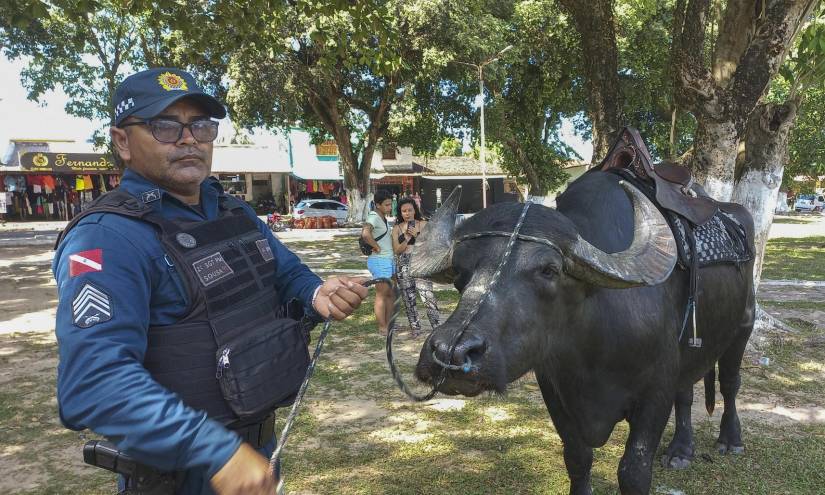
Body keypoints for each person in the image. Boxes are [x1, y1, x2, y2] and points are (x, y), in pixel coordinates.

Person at [52, 67, 368, 495]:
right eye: (165, 126)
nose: (189, 139)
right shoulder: (107, 237)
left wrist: (317, 293)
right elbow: (94, 380)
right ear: (123, 141)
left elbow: (287, 272)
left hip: (256, 452)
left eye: (201, 125)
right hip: (184, 474)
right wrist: (213, 451)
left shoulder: (233, 213)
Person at [392, 198, 440, 337]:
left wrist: (417, 236)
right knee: (408, 297)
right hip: (403, 264)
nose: (407, 213)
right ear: (400, 212)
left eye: (410, 210)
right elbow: (397, 250)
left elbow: (432, 245)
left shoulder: (424, 224)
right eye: (404, 211)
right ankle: (415, 327)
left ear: (415, 210)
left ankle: (436, 326)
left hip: (420, 261)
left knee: (427, 295)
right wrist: (407, 236)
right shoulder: (397, 228)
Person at [361, 189, 395, 335]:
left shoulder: (382, 217)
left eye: (390, 204)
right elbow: (365, 233)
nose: (389, 207)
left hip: (388, 260)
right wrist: (376, 246)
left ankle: (388, 323)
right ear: (378, 205)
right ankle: (382, 327)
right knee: (382, 294)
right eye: (387, 205)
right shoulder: (374, 216)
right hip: (380, 260)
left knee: (390, 293)